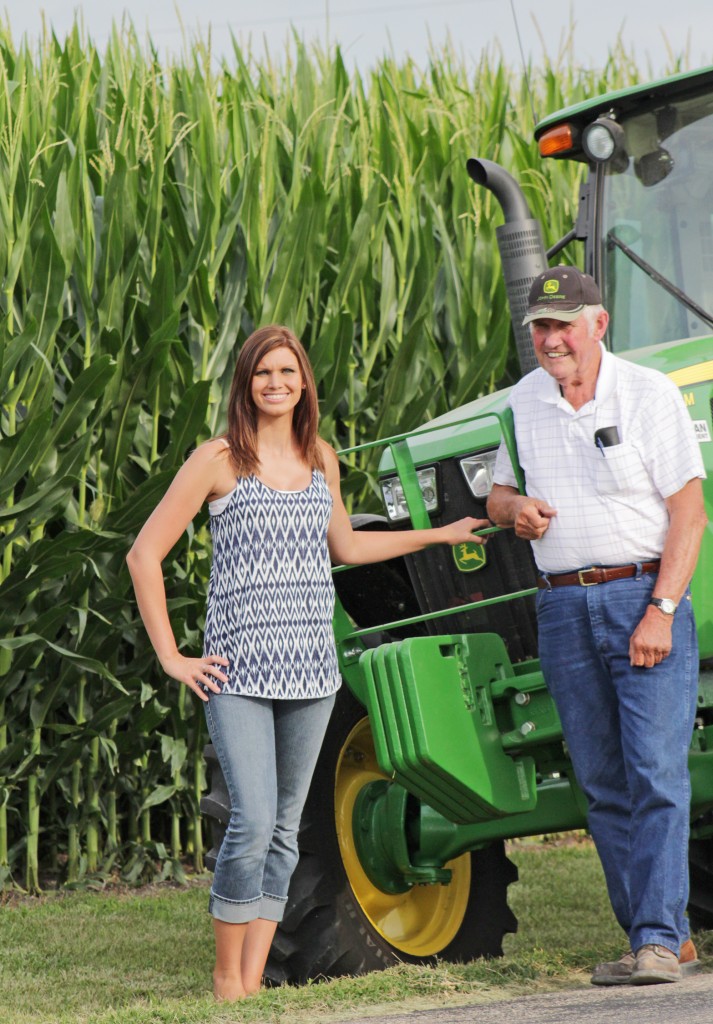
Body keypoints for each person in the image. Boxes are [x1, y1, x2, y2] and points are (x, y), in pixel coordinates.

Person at [127, 324, 488, 1001]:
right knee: (252, 821)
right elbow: (144, 553)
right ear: (246, 382)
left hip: (312, 671)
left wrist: (439, 533)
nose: (275, 384)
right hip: (236, 673)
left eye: (286, 373)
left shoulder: (320, 457)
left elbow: (346, 548)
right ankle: (226, 979)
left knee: (287, 829)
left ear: (303, 384)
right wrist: (172, 656)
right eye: (263, 373)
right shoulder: (218, 460)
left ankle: (253, 980)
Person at [487, 266, 707, 986]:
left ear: (597, 325)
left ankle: (653, 935)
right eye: (540, 328)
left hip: (639, 596)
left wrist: (662, 611)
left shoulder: (648, 394)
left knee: (653, 772)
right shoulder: (523, 400)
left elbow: (688, 513)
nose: (551, 340)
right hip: (559, 607)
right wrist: (513, 511)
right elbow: (495, 493)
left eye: (562, 325)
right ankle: (659, 938)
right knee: (602, 783)